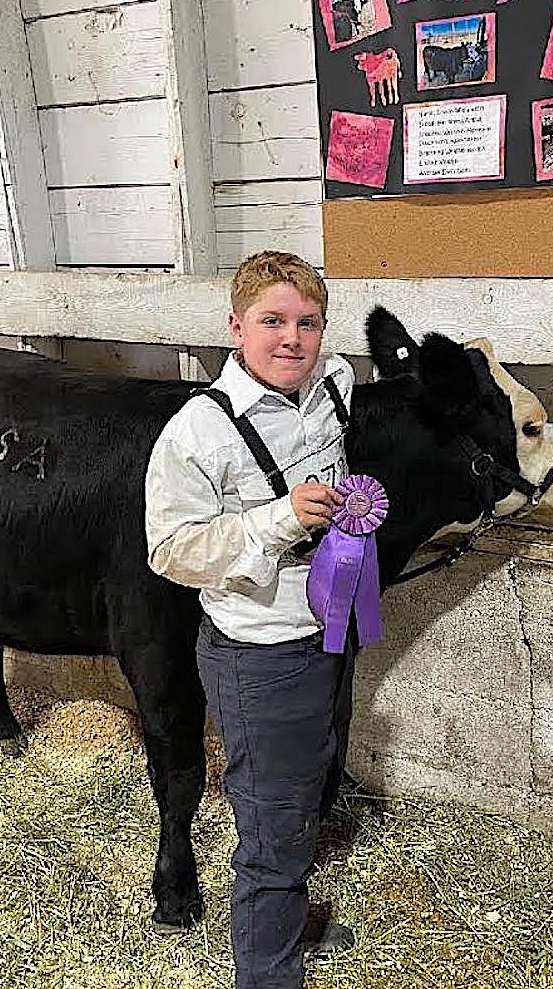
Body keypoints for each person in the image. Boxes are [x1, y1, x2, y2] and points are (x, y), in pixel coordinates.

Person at [145, 250, 357, 989]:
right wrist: (275, 521)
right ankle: (267, 974)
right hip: (260, 650)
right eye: (272, 321)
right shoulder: (196, 433)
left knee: (312, 789)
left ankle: (287, 927)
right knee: (269, 833)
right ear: (236, 327)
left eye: (308, 322)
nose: (292, 339)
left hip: (335, 620)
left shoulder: (337, 383)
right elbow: (170, 549)